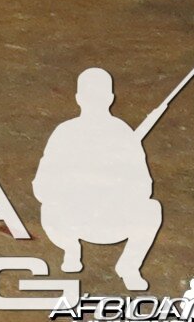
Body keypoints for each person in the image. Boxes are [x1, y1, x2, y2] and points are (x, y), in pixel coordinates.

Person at [36, 65, 171, 292]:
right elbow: (42, 185)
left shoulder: (123, 134)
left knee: (151, 209)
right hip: (73, 218)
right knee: (48, 208)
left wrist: (112, 185)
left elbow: (143, 186)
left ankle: (129, 266)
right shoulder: (65, 133)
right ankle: (70, 249)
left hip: (113, 219)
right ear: (109, 98)